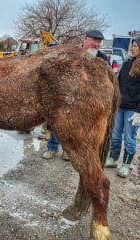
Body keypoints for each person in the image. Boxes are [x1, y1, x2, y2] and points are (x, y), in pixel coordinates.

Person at [42, 29, 109, 161]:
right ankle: (52, 148)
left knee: (76, 128)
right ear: (85, 39)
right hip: (67, 97)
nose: (97, 44)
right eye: (94, 40)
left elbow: (106, 81)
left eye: (99, 41)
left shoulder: (103, 59)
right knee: (57, 123)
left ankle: (67, 151)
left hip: (88, 100)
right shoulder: (73, 54)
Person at [104, 37, 140, 178]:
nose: (132, 48)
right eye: (132, 46)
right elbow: (118, 85)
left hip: (133, 110)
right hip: (121, 106)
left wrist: (139, 112)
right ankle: (113, 159)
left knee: (130, 139)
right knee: (116, 135)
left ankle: (125, 164)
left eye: (136, 46)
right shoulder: (126, 64)